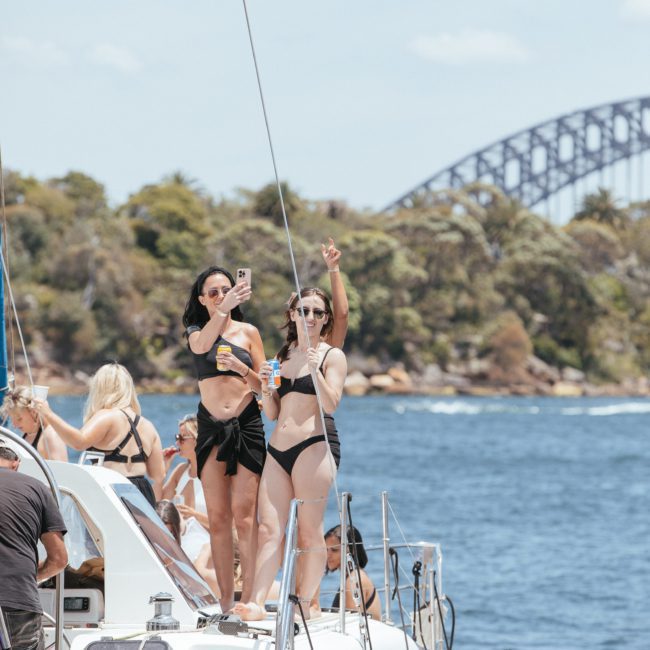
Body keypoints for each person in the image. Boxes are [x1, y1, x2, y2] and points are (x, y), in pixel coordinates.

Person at [235, 287, 347, 621]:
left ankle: (305, 601)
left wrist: (316, 370)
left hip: (313, 447)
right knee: (269, 528)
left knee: (309, 532)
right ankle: (255, 602)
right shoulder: (283, 356)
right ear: (292, 314)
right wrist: (266, 387)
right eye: (304, 310)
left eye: (317, 312)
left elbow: (331, 404)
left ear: (325, 319)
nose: (310, 317)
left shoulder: (331, 356)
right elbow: (271, 412)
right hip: (278, 450)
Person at [182, 265, 266, 613]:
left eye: (225, 290)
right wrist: (221, 309)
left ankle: (249, 598)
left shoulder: (249, 332)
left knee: (245, 516)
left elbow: (268, 384)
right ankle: (226, 600)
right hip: (211, 428)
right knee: (218, 518)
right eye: (213, 292)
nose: (219, 296)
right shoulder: (196, 331)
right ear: (202, 299)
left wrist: (242, 369)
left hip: (246, 424)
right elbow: (202, 346)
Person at [34, 363, 165, 508]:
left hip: (112, 492)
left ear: (101, 388)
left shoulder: (107, 416)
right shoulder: (148, 426)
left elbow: (79, 442)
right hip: (142, 495)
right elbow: (158, 475)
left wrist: (48, 414)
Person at [0, 443, 68, 650]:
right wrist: (34, 576)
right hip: (17, 597)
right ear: (16, 463)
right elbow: (59, 559)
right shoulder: (36, 488)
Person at [323, 524, 382, 620]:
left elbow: (352, 624)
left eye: (334, 550)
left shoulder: (353, 581)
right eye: (326, 549)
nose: (328, 555)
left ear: (351, 551)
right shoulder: (354, 575)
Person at [162, 414, 208, 528]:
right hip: (181, 541)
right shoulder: (180, 471)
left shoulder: (215, 476)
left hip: (206, 542)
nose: (177, 443)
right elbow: (159, 504)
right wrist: (163, 469)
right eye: (177, 437)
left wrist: (195, 515)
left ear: (198, 440)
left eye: (181, 438)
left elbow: (229, 524)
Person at [1, 386, 68, 462]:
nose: (14, 425)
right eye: (12, 419)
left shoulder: (51, 435)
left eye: (19, 419)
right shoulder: (28, 434)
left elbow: (62, 471)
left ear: (33, 412)